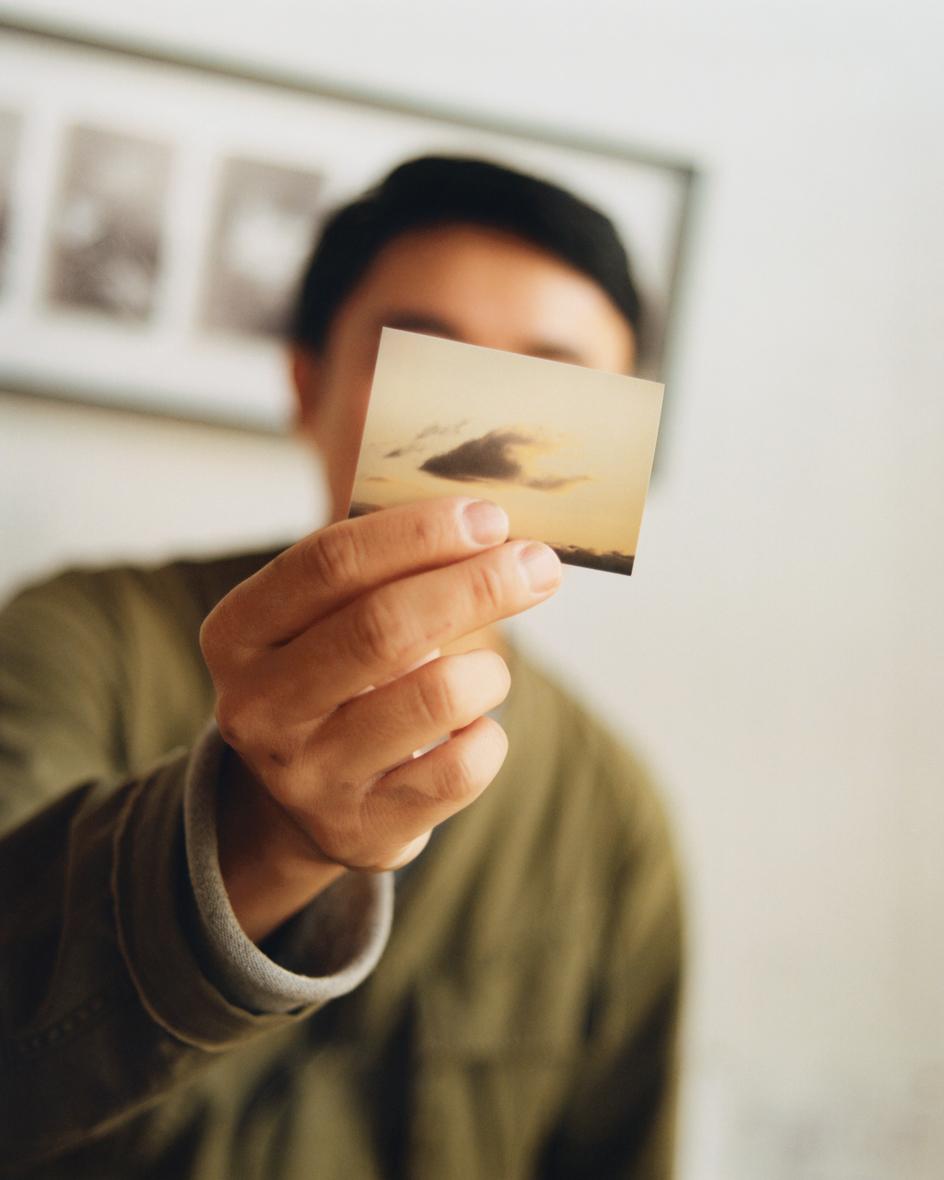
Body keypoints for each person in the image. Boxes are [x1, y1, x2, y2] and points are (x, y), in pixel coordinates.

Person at [0, 156, 684, 1178]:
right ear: (305, 381)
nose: (480, 434)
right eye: (425, 361)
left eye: (549, 386)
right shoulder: (76, 641)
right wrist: (248, 835)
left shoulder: (613, 818)